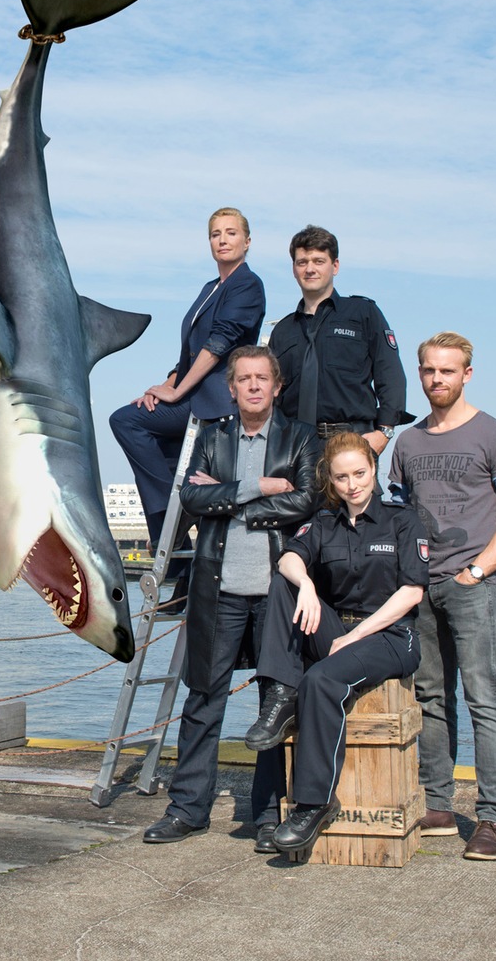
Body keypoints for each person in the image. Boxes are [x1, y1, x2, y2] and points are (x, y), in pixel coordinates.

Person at [141, 346, 320, 851]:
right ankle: (187, 809)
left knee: (274, 704)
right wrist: (259, 486)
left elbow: (307, 499)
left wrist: (230, 497)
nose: (255, 386)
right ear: (232, 388)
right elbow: (193, 498)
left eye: (263, 378)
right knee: (203, 698)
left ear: (277, 386)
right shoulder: (213, 437)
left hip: (277, 592)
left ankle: (267, 814)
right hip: (217, 589)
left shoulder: (300, 437)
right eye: (245, 379)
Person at [245, 433, 429, 853]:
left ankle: (313, 804)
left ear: (374, 470)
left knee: (322, 681)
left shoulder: (402, 521)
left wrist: (354, 637)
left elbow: (411, 593)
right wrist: (307, 583)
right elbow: (288, 557)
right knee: (284, 584)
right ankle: (280, 694)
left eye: (360, 473)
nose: (353, 485)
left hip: (389, 635)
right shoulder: (324, 521)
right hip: (338, 627)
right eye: (342, 477)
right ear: (331, 478)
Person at [389, 332, 496, 861]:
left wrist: (476, 570)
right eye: (428, 371)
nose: (436, 380)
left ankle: (494, 817)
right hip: (423, 587)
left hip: (474, 585)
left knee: (485, 699)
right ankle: (440, 804)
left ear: (466, 374)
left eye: (447, 371)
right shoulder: (408, 443)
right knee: (430, 698)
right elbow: (402, 518)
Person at [110, 208, 266, 547]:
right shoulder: (211, 287)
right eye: (215, 234)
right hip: (191, 394)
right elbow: (191, 351)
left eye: (231, 233)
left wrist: (177, 390)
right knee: (152, 447)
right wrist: (167, 384)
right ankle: (172, 536)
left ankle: (174, 515)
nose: (222, 240)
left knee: (126, 421)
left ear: (247, 241)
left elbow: (218, 345)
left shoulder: (247, 285)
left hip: (215, 400)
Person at [268, 225, 409, 455]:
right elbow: (271, 396)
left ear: (335, 266)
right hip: (294, 450)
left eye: (318, 261)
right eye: (302, 262)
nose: (310, 269)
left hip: (351, 442)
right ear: (293, 269)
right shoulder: (282, 331)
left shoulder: (363, 313)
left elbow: (390, 373)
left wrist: (384, 432)